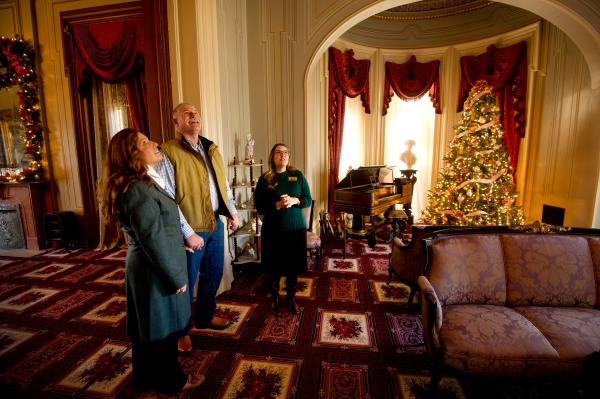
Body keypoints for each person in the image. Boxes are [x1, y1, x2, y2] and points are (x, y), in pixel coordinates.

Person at [96, 128, 203, 393]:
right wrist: (177, 277)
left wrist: (179, 246)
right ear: (132, 154)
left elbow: (157, 230)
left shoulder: (143, 181)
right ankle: (171, 382)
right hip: (153, 270)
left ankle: (146, 379)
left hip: (151, 264)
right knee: (162, 332)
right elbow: (152, 239)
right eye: (145, 142)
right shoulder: (137, 189)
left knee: (150, 329)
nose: (155, 143)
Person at [159, 103, 239, 354]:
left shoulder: (211, 147)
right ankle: (181, 331)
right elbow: (168, 196)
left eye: (196, 112)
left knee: (213, 274)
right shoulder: (169, 150)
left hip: (215, 223)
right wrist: (186, 233)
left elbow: (223, 185)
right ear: (176, 122)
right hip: (191, 228)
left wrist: (233, 212)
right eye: (186, 113)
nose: (193, 115)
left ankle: (205, 316)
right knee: (185, 281)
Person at [254, 143, 312, 316]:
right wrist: (277, 205)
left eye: (286, 152)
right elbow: (260, 207)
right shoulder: (265, 179)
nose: (283, 155)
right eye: (279, 152)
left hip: (295, 230)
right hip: (273, 231)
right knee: (274, 267)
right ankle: (275, 299)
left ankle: (291, 298)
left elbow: (308, 199)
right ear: (273, 156)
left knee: (292, 267)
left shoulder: (297, 175)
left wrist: (295, 201)